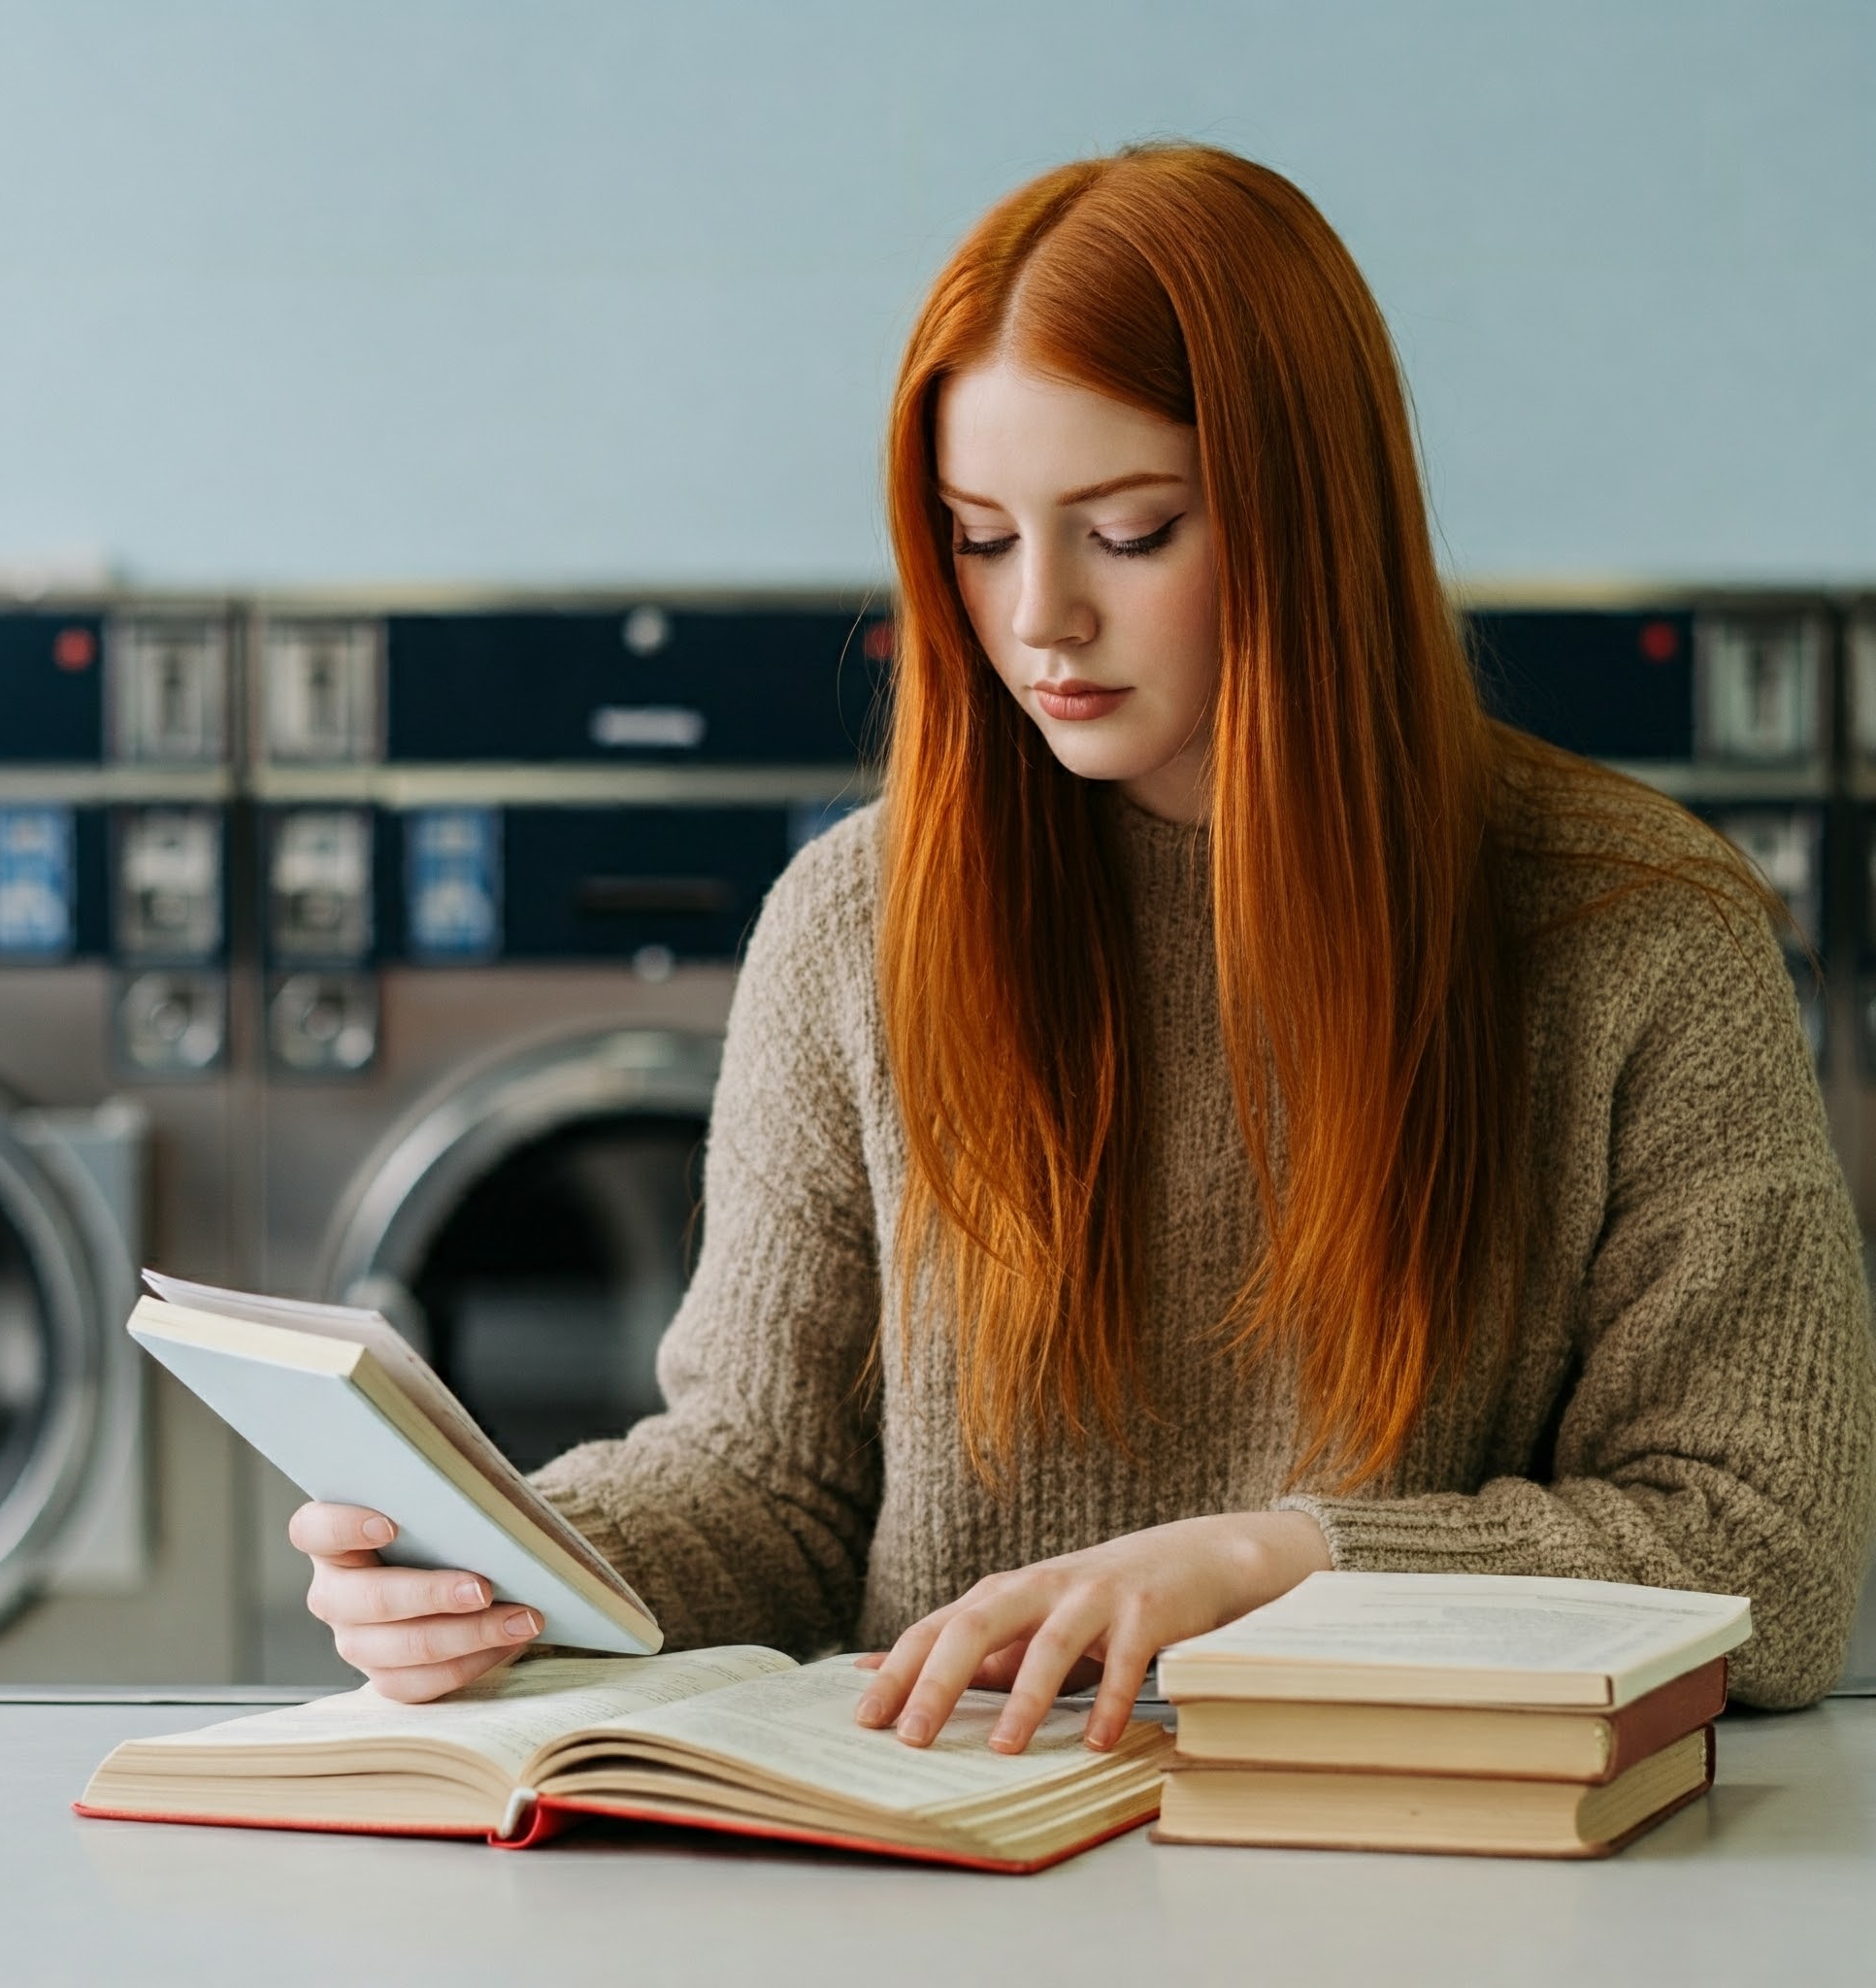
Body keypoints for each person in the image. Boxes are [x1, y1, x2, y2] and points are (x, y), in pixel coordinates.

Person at [289, 142, 1876, 1752]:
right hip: (956, 1846)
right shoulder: (856, 922)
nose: (1039, 615)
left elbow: (1761, 1549)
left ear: (1309, 523)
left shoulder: (1641, 930)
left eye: (1128, 532)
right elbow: (766, 1486)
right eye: (980, 536)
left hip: (1416, 1863)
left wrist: (1278, 1564)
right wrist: (509, 1570)